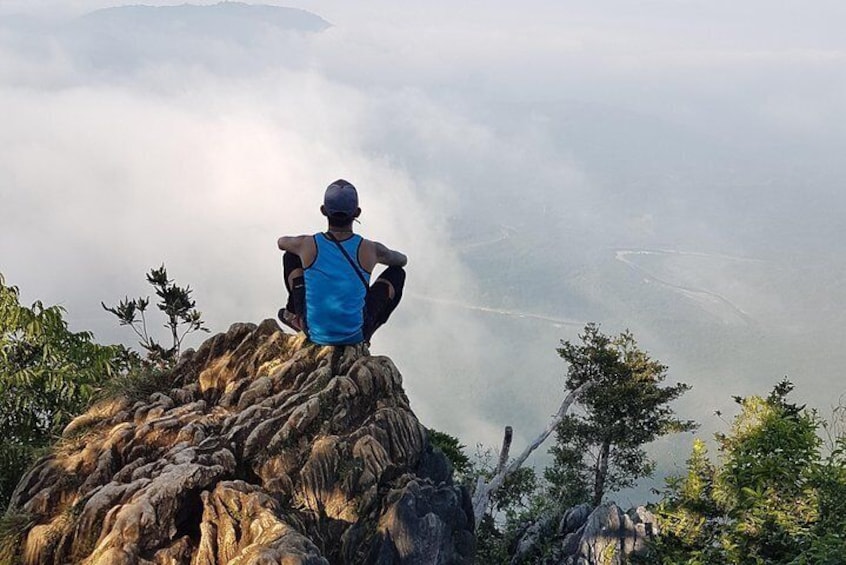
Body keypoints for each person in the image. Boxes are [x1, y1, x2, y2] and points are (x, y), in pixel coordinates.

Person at [276, 179, 407, 345]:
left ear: (323, 210)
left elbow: (281, 242)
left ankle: (296, 316)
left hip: (313, 332)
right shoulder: (371, 249)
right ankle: (368, 332)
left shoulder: (307, 244)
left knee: (290, 255)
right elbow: (402, 261)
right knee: (397, 273)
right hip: (356, 335)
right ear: (357, 213)